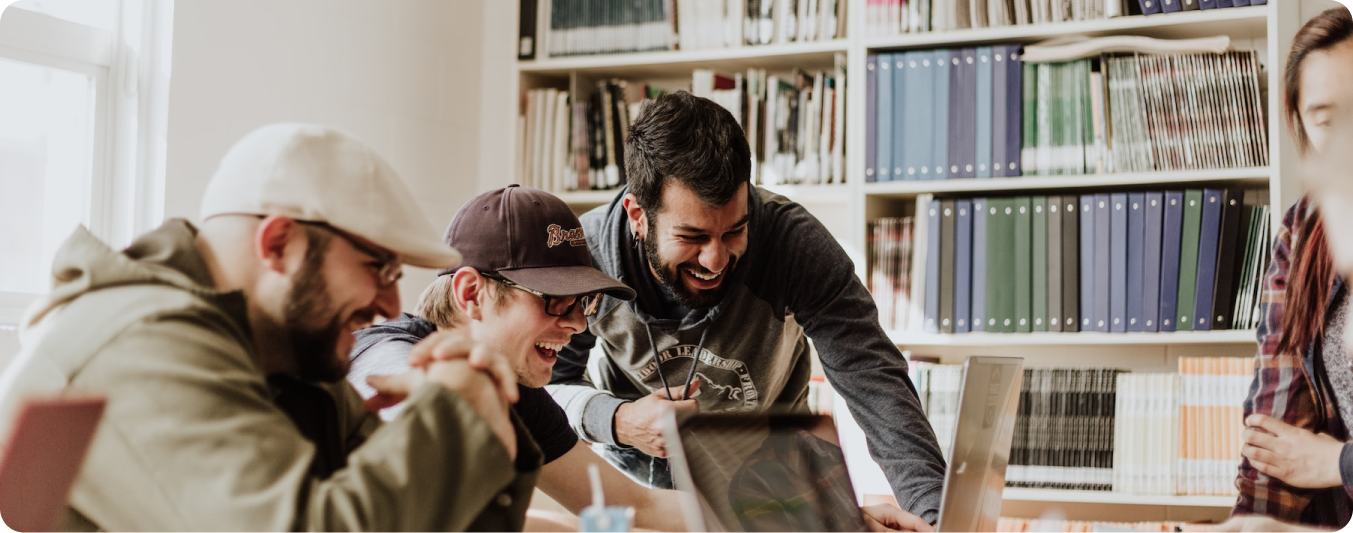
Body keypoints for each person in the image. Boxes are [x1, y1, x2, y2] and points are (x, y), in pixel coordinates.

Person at [0, 123, 539, 532]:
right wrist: (456, 414)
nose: (391, 303)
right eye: (378, 267)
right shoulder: (142, 345)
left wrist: (484, 412)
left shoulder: (283, 354)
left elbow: (428, 516)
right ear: (278, 243)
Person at [546, 91, 946, 532]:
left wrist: (937, 516)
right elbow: (545, 388)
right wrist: (617, 420)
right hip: (636, 491)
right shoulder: (586, 256)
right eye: (693, 236)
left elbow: (874, 379)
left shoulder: (793, 243)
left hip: (773, 479)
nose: (716, 260)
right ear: (638, 214)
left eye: (734, 231)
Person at [347, 184, 690, 532]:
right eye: (556, 299)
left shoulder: (516, 389)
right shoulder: (381, 351)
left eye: (583, 300)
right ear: (471, 293)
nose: (577, 323)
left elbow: (637, 505)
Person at [1230, 6, 1353, 531]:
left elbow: (1316, 461)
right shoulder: (1304, 232)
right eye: (1328, 121)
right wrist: (1249, 524)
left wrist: (1336, 463)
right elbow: (1274, 438)